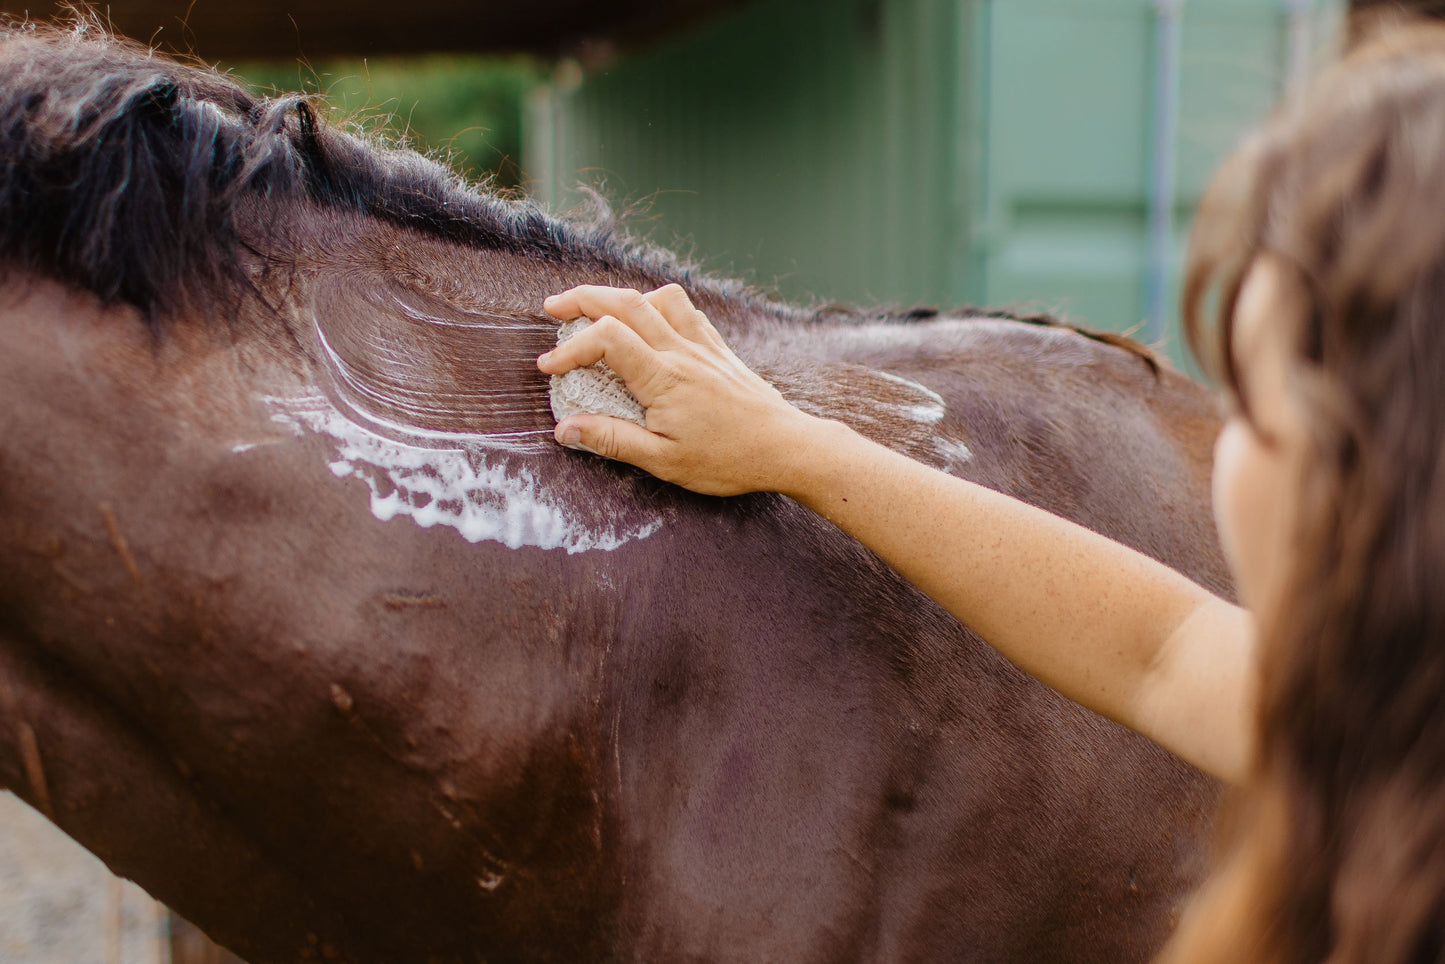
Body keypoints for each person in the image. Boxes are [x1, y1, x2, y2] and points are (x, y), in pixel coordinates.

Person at [537, 21, 1445, 964]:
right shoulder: (1379, 715)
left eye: (1253, 404)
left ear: (1392, 461)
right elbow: (1159, 648)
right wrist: (789, 446)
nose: (1225, 444)